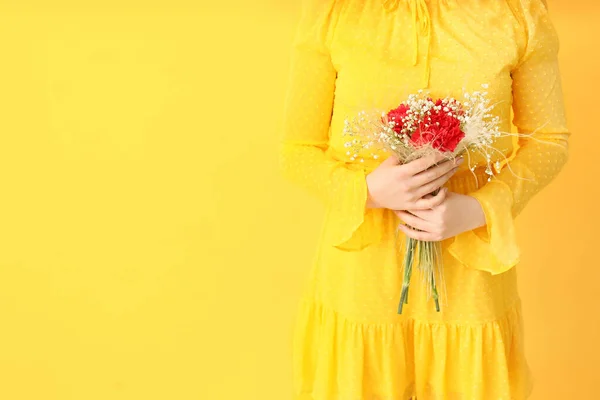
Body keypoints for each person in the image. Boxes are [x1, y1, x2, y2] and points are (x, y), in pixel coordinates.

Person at [278, 0, 570, 398]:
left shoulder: (517, 14)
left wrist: (482, 208)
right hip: (361, 279)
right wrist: (366, 192)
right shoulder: (334, 12)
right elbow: (297, 148)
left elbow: (550, 140)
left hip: (471, 281)